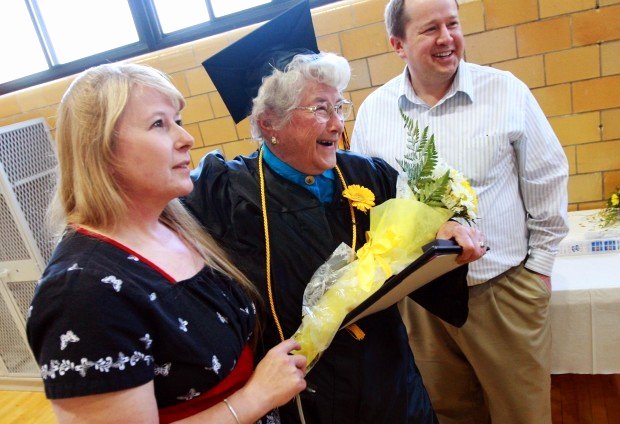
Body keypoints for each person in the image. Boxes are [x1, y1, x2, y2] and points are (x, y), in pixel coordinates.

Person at [184, 2, 486, 422]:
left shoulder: (367, 173)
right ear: (270, 122)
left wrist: (452, 226)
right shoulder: (227, 189)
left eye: (339, 106)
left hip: (388, 376)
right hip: (307, 389)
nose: (337, 124)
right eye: (321, 109)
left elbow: (432, 216)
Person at [26, 63, 307, 424]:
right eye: (159, 124)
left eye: (178, 120)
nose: (185, 138)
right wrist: (255, 397)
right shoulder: (80, 290)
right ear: (102, 149)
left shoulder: (175, 224)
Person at [350, 0, 569, 423]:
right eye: (430, 29)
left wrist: (539, 269)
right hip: (422, 302)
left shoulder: (505, 91)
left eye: (452, 24)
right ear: (398, 44)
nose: (447, 38)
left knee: (523, 414)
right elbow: (372, 202)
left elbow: (547, 178)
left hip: (501, 293)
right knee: (448, 413)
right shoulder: (376, 112)